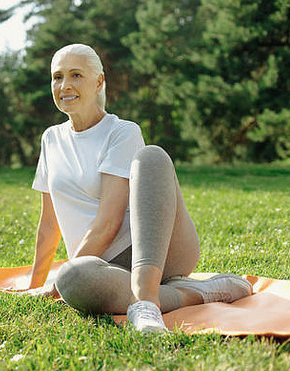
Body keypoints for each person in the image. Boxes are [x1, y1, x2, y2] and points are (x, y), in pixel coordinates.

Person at [23, 43, 252, 333]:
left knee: (151, 156)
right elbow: (48, 224)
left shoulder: (122, 132)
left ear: (99, 82)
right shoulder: (51, 139)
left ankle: (145, 304)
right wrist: (37, 285)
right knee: (71, 279)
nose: (65, 85)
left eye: (76, 75)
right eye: (58, 77)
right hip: (104, 267)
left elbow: (109, 223)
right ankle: (199, 292)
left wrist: (55, 284)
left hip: (157, 249)